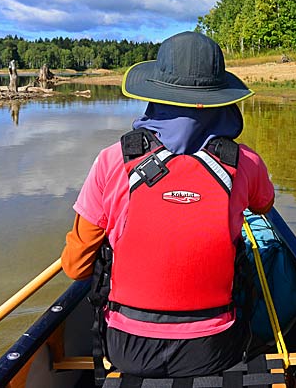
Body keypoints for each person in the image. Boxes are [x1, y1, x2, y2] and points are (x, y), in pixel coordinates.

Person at [60, 31, 275, 379]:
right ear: (221, 100)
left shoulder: (112, 161)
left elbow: (76, 268)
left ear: (154, 95)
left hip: (127, 349)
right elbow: (265, 205)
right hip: (215, 346)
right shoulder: (246, 162)